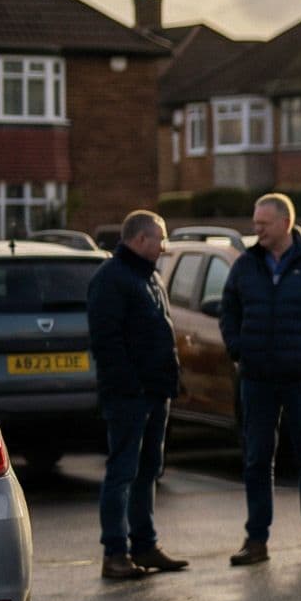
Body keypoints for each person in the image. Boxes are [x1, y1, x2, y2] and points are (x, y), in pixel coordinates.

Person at [220, 193, 301, 566]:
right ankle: (256, 540)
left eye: (263, 223)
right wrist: (238, 347)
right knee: (257, 458)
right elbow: (228, 310)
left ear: (284, 224)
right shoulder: (245, 265)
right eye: (255, 223)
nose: (256, 229)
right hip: (256, 378)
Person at [85, 209, 187, 581]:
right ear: (141, 239)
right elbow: (107, 342)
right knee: (123, 471)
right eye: (160, 239)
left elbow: (158, 334)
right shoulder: (112, 279)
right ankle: (115, 553)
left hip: (155, 392)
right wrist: (132, 386)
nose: (165, 246)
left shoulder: (148, 277)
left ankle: (145, 545)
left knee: (147, 471)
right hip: (130, 396)